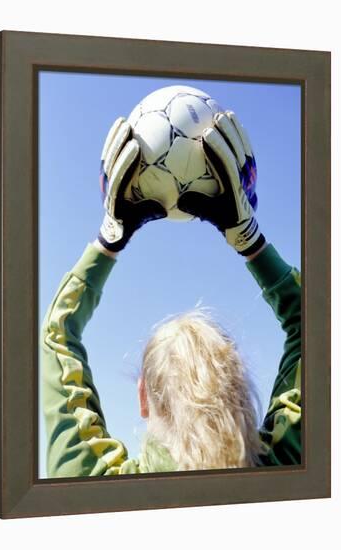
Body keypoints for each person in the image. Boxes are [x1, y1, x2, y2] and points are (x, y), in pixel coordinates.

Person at [41, 111, 301, 477]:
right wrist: (248, 238)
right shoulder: (287, 466)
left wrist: (109, 238)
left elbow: (57, 336)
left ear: (143, 397)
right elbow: (322, 328)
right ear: (240, 392)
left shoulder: (92, 485)